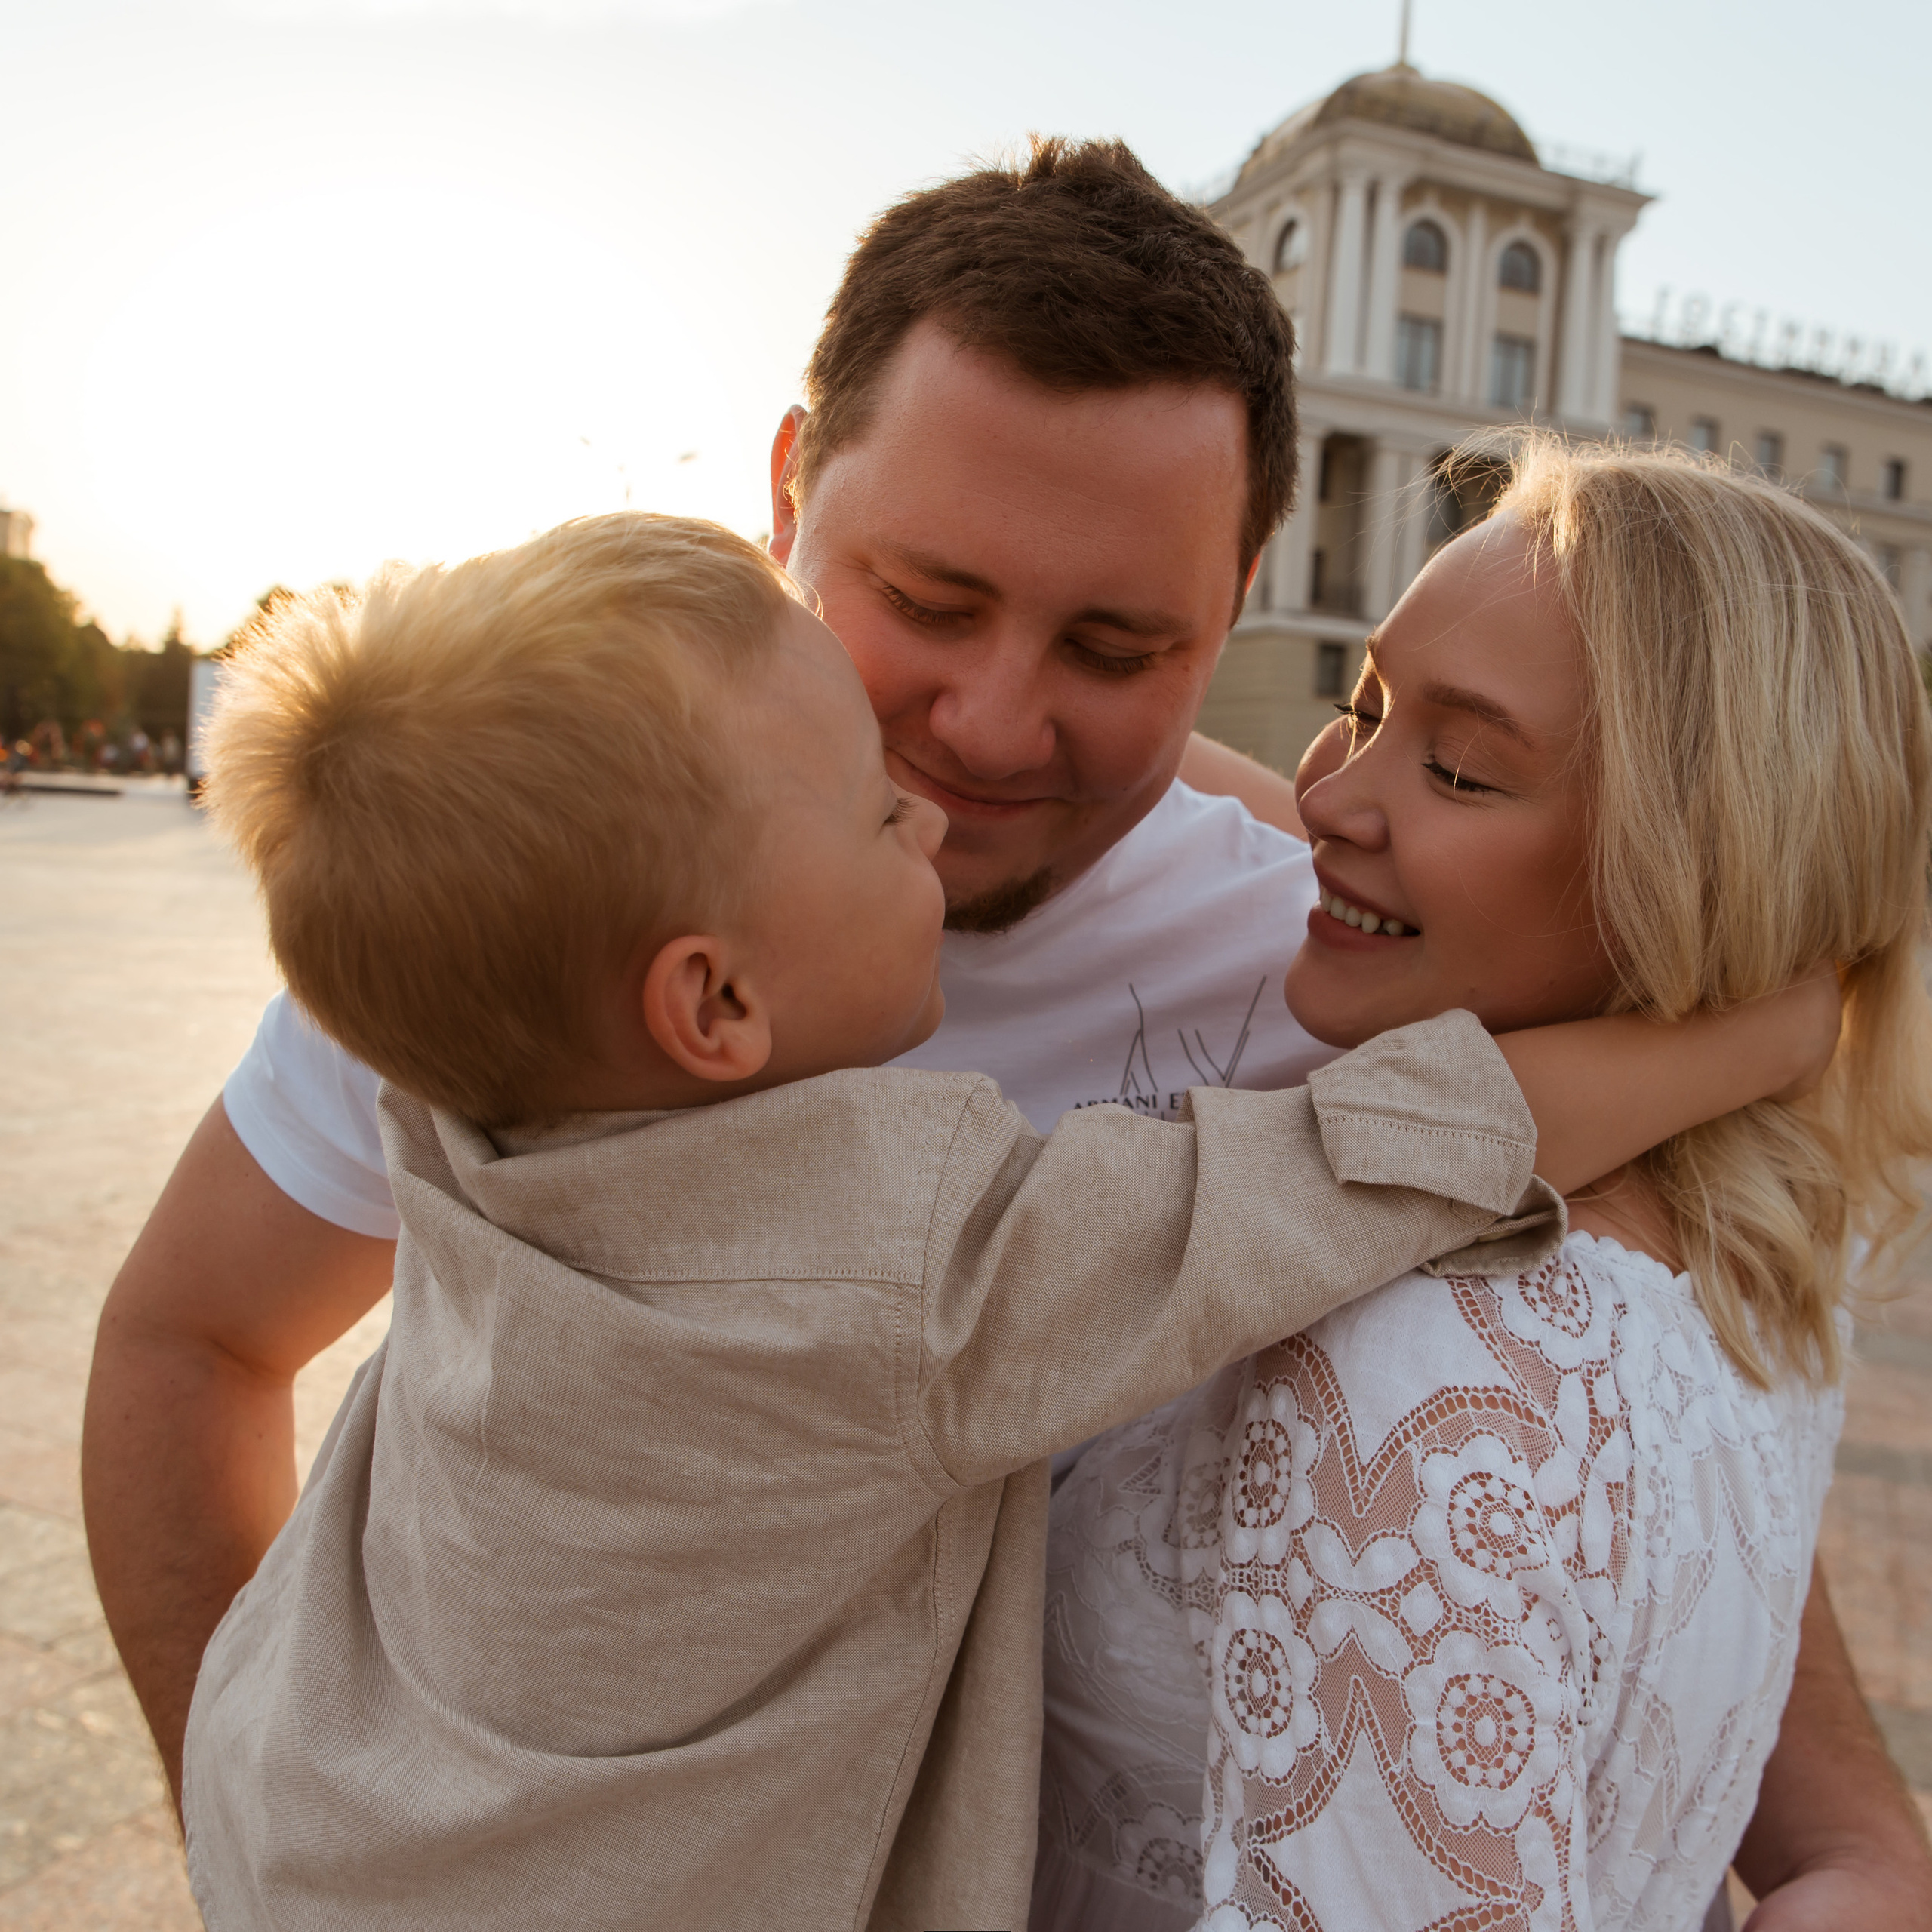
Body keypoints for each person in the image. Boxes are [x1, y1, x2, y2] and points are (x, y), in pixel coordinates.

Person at [81, 140, 1930, 1923]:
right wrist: (262, 1841)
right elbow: (192, 1341)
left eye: (1115, 650)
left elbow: (1640, 1381)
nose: (977, 730)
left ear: (1226, 611)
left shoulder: (1335, 924)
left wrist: (1851, 1826)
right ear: (793, 483)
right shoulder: (533, 903)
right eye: (926, 600)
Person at [184, 508, 1716, 1931]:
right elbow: (1377, 1156)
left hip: (309, 1827)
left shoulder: (457, 1112)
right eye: (873, 811)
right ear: (713, 1000)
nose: (929, 804)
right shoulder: (904, 1262)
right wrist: (1761, 1040)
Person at [1032, 441, 1932, 1930]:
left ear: (1680, 874)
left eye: (1455, 766)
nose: (1327, 799)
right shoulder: (1749, 1274)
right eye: (1360, 708)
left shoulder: (1412, 1394)